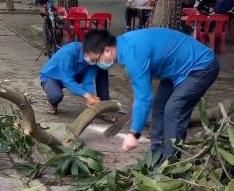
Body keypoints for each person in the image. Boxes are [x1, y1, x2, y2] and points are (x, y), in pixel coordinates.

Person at [82, 28, 219, 161]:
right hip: (176, 70)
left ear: (107, 50)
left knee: (173, 110)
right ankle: (155, 157)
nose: (97, 64)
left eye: (96, 59)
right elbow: (142, 96)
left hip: (200, 67)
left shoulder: (133, 55)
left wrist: (134, 133)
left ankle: (170, 164)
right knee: (159, 107)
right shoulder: (124, 45)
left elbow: (144, 98)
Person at [40, 40, 109, 114]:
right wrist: (87, 96)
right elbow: (67, 80)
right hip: (52, 77)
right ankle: (52, 103)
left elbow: (88, 80)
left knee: (102, 69)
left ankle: (104, 107)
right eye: (94, 59)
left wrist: (91, 96)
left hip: (75, 75)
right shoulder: (70, 50)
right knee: (56, 96)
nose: (95, 60)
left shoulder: (93, 60)